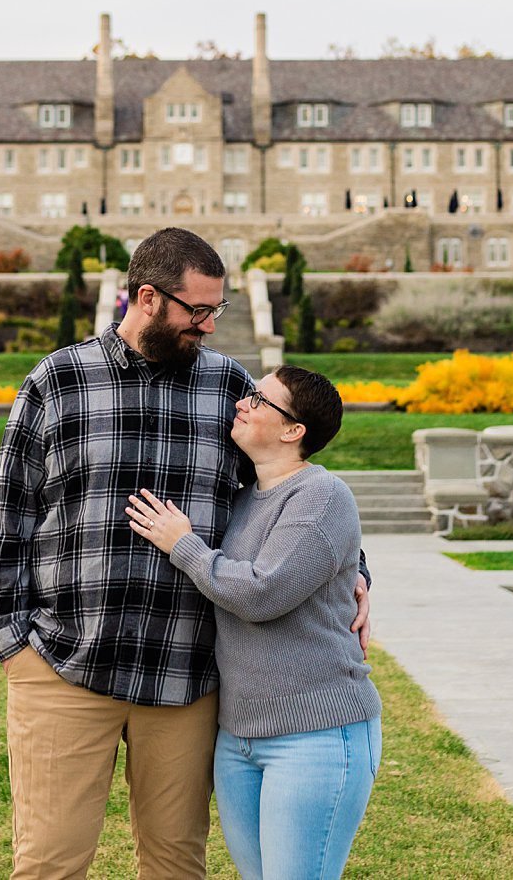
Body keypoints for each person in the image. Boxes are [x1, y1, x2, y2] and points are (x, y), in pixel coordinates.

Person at [0, 227, 370, 879]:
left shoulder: (228, 390)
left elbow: (291, 491)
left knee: (176, 865)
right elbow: (8, 513)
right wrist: (12, 642)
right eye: (200, 310)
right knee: (48, 863)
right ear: (149, 298)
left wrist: (356, 572)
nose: (210, 326)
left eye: (219, 310)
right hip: (64, 666)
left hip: (185, 675)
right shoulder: (58, 380)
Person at [126, 366, 380, 880]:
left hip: (314, 735)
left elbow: (263, 593)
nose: (242, 403)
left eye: (260, 400)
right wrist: (359, 574)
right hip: (238, 739)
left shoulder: (322, 495)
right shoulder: (243, 499)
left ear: (293, 430)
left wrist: (183, 545)